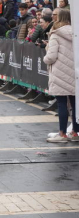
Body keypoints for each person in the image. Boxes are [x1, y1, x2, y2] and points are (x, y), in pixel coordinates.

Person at [44, 9, 79, 142]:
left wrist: (45, 58)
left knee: (62, 103)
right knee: (76, 103)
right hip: (74, 73)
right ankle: (76, 132)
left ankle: (62, 133)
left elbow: (51, 57)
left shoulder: (55, 34)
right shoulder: (76, 33)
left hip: (60, 74)